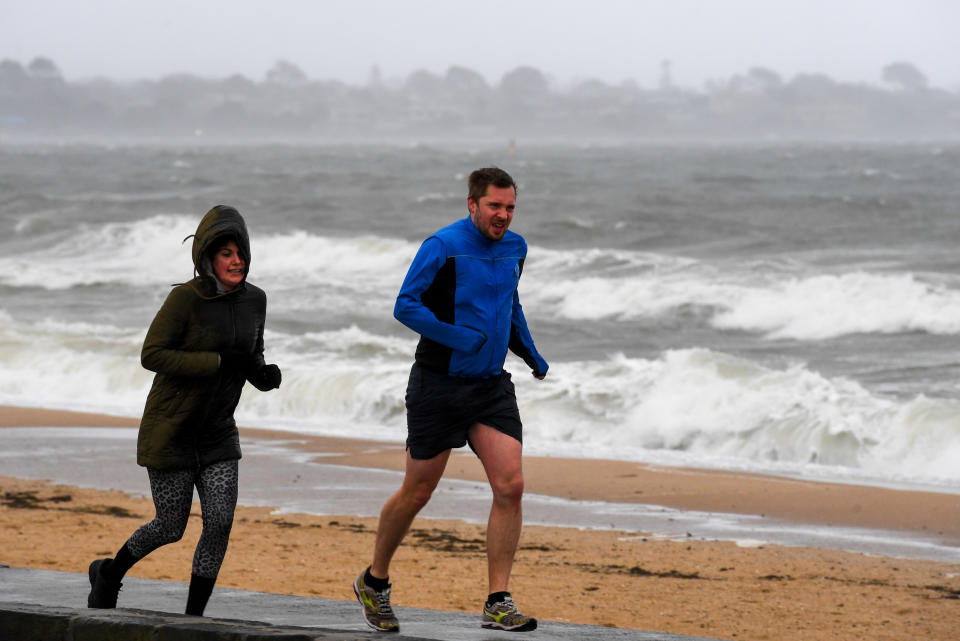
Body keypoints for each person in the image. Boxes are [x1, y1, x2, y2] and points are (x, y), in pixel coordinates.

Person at [353, 167, 548, 633]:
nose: (503, 215)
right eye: (494, 206)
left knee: (511, 486)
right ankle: (373, 581)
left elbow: (509, 304)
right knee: (418, 491)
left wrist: (530, 352)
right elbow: (406, 304)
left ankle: (497, 601)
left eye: (510, 207)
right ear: (472, 204)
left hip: (489, 388)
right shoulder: (442, 245)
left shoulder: (516, 248)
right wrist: (460, 338)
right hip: (438, 385)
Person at [86, 204, 282, 616]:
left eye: (240, 252)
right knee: (170, 526)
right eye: (226, 253)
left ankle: (195, 619)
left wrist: (262, 375)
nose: (236, 261)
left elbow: (251, 353)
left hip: (218, 432)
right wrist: (213, 362)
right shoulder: (183, 300)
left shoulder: (255, 301)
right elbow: (151, 354)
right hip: (173, 429)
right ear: (209, 257)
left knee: (220, 524)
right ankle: (109, 572)